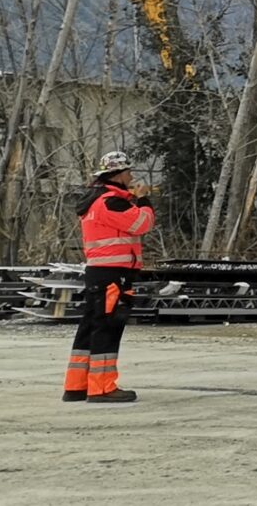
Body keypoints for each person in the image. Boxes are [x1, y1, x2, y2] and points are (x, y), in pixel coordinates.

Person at [65, 151, 156, 403]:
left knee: (90, 328)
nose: (131, 176)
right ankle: (102, 388)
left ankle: (76, 386)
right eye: (128, 172)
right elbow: (142, 224)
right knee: (108, 328)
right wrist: (144, 199)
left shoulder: (94, 200)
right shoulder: (110, 201)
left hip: (99, 272)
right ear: (117, 174)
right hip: (113, 274)